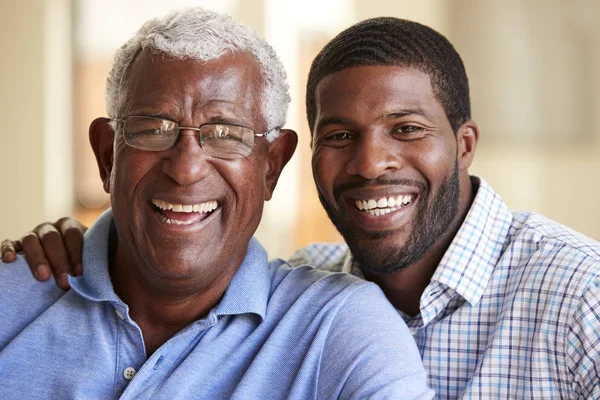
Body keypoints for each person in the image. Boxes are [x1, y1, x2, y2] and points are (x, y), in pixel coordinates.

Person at [4, 15, 600, 399]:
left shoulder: (580, 294)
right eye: (339, 136)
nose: (371, 164)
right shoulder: (315, 281)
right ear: (108, 151)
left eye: (408, 128)